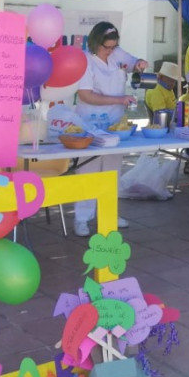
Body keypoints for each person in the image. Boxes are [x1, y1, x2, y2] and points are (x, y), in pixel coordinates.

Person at [73, 21, 148, 236]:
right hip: (90, 123)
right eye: (106, 47)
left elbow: (134, 63)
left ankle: (109, 214)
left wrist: (140, 64)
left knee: (111, 172)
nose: (110, 50)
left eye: (113, 46)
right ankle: (82, 218)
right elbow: (86, 95)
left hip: (115, 124)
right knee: (88, 171)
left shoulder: (116, 54)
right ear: (96, 42)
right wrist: (118, 99)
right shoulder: (86, 61)